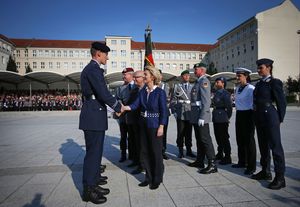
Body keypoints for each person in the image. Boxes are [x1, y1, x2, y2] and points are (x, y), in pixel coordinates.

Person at [79, 42, 123, 204]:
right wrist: (118, 106)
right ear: (98, 54)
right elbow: (103, 93)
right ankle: (88, 190)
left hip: (94, 114)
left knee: (96, 151)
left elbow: (101, 94)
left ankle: (94, 181)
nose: (107, 57)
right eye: (106, 54)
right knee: (93, 153)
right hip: (93, 115)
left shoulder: (93, 69)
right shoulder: (93, 69)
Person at [123, 66, 168, 190]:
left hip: (155, 125)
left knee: (156, 153)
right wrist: (124, 108)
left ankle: (157, 178)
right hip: (143, 124)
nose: (144, 76)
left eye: (146, 74)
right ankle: (148, 177)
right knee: (144, 152)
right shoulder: (142, 91)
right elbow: (135, 105)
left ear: (152, 77)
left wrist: (161, 127)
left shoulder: (160, 92)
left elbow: (164, 111)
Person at [251, 58, 287, 190]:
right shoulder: (259, 83)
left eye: (261, 68)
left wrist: (279, 119)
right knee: (263, 146)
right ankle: (265, 171)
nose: (259, 70)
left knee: (276, 147)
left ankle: (280, 177)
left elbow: (281, 102)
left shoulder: (275, 82)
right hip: (260, 117)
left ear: (269, 68)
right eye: (258, 67)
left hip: (270, 116)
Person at [188, 63, 217, 174]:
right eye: (194, 69)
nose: (194, 71)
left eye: (196, 69)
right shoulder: (198, 81)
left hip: (201, 115)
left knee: (205, 139)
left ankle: (212, 164)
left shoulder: (204, 81)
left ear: (202, 70)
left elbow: (206, 101)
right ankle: (200, 161)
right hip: (196, 115)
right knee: (199, 139)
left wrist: (203, 116)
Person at [232, 68, 256, 175]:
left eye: (239, 76)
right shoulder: (237, 88)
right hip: (239, 114)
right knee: (240, 139)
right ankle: (242, 161)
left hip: (248, 114)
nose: (237, 78)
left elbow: (254, 103)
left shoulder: (251, 88)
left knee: (249, 141)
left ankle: (251, 166)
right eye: (237, 76)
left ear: (246, 76)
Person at [170, 69, 196, 158]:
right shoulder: (177, 87)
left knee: (189, 132)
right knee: (180, 133)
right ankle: (180, 150)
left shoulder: (193, 86)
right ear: (182, 77)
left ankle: (189, 150)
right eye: (185, 75)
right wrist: (174, 112)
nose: (187, 77)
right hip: (180, 112)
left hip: (189, 112)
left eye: (188, 75)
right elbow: (173, 100)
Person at [115, 68, 135, 163]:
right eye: (123, 74)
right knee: (123, 136)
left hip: (134, 117)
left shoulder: (137, 86)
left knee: (132, 137)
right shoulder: (120, 88)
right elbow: (117, 100)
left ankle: (132, 155)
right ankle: (123, 154)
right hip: (123, 116)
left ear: (131, 75)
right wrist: (119, 108)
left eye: (125, 74)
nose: (123, 76)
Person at [212, 77, 233, 165]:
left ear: (223, 83)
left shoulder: (226, 93)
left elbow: (229, 108)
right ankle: (220, 153)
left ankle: (227, 156)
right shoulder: (216, 93)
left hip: (222, 117)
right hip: (216, 117)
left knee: (224, 138)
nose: (216, 84)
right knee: (218, 137)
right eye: (216, 82)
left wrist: (226, 117)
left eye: (218, 82)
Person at [128, 70, 146, 175]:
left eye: (136, 77)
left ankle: (143, 165)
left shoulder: (148, 89)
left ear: (144, 77)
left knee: (143, 145)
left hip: (144, 121)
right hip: (134, 121)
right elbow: (130, 103)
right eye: (133, 77)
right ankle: (137, 161)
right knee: (136, 143)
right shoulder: (134, 90)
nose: (134, 79)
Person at [158, 69, 170, 160]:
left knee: (163, 133)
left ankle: (162, 151)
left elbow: (164, 97)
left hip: (163, 112)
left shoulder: (165, 85)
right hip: (154, 113)